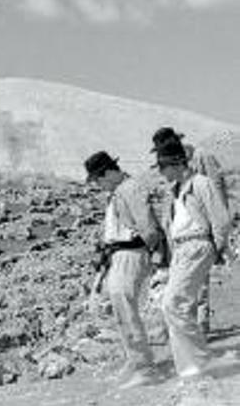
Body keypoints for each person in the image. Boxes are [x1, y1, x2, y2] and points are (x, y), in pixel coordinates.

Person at [84, 151, 165, 388]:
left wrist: (152, 252)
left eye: (99, 180)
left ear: (108, 173)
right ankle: (135, 359)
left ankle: (145, 367)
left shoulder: (129, 189)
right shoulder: (119, 191)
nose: (98, 186)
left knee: (126, 309)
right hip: (119, 255)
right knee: (120, 310)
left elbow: (147, 226)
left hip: (129, 254)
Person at [154, 142, 232, 379]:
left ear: (176, 164)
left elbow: (221, 219)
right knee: (180, 307)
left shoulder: (201, 183)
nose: (161, 173)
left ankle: (197, 362)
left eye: (162, 167)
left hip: (196, 245)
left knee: (173, 303)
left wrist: (215, 247)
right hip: (181, 249)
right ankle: (192, 364)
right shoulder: (177, 188)